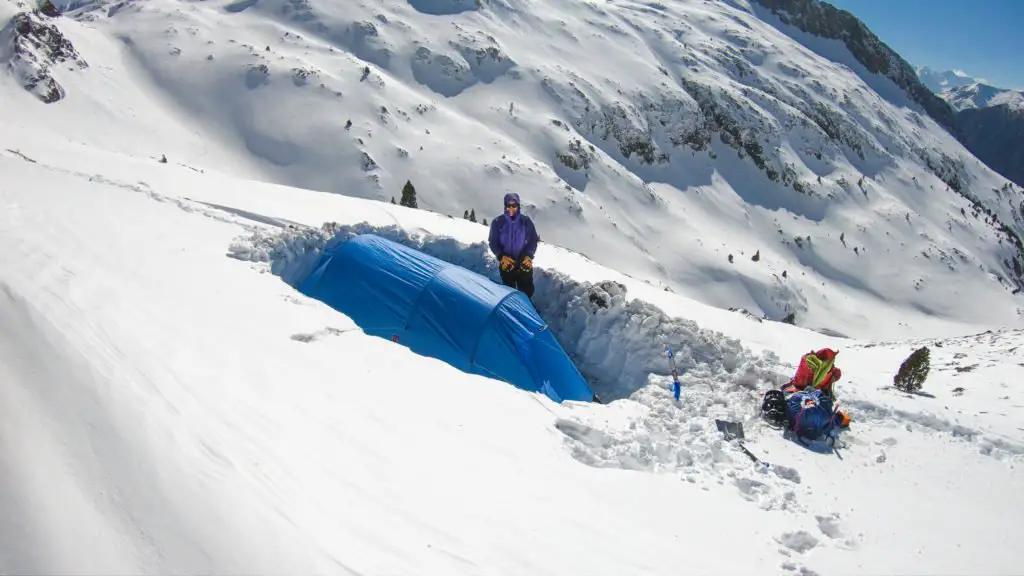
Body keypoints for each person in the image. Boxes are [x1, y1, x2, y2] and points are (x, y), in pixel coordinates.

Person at [488, 192, 539, 299]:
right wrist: (501, 256)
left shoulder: (526, 222)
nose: (511, 208)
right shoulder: (498, 222)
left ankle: (526, 309)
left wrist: (528, 256)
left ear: (518, 206)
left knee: (526, 291)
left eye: (514, 205)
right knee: (507, 291)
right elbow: (493, 242)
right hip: (506, 262)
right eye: (508, 205)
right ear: (505, 206)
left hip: (523, 261)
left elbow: (533, 240)